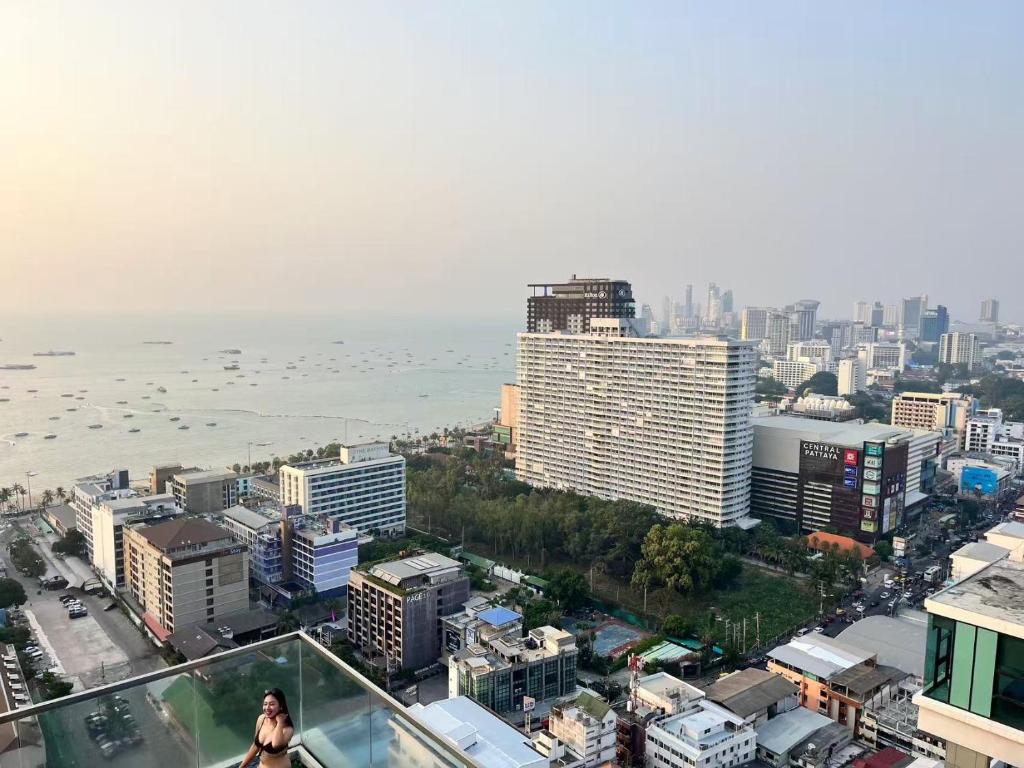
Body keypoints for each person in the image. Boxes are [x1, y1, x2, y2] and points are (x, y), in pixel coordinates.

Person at [239, 688, 294, 768]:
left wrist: (280, 723)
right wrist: (242, 766)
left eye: (272, 704)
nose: (267, 708)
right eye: (265, 704)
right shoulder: (261, 719)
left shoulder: (287, 729)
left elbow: (276, 744)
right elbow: (256, 745)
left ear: (281, 706)